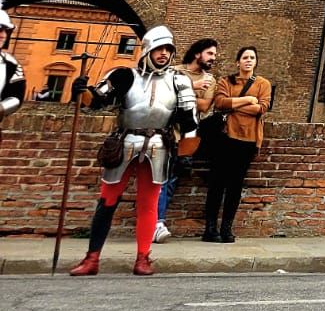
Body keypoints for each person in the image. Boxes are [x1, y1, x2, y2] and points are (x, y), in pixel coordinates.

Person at [67, 24, 197, 276]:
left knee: (148, 205)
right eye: (159, 49)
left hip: (159, 146)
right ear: (148, 49)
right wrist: (81, 91)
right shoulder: (124, 75)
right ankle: (91, 259)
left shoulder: (179, 81)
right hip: (124, 142)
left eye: (168, 50)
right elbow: (95, 102)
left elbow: (189, 121)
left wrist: (186, 152)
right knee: (107, 201)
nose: (163, 54)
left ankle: (143, 258)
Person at [204, 46, 271, 244]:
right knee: (216, 184)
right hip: (225, 137)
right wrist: (247, 100)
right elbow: (220, 103)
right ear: (238, 62)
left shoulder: (263, 84)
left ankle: (226, 228)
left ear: (255, 62)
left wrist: (237, 104)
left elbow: (262, 108)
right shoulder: (227, 80)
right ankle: (210, 229)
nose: (248, 60)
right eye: (244, 57)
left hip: (248, 140)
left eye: (252, 57)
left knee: (235, 185)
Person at [154, 37, 217, 244]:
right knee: (160, 177)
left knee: (173, 178)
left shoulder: (210, 79)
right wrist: (193, 86)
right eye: (210, 54)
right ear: (198, 53)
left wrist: (180, 92)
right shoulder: (174, 71)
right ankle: (157, 222)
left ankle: (157, 220)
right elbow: (162, 95)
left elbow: (205, 106)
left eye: (214, 55)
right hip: (165, 131)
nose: (213, 58)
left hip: (188, 135)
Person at [0, 0, 25, 125]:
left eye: (5, 30)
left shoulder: (11, 64)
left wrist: (2, 107)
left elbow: (16, 96)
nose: (2, 35)